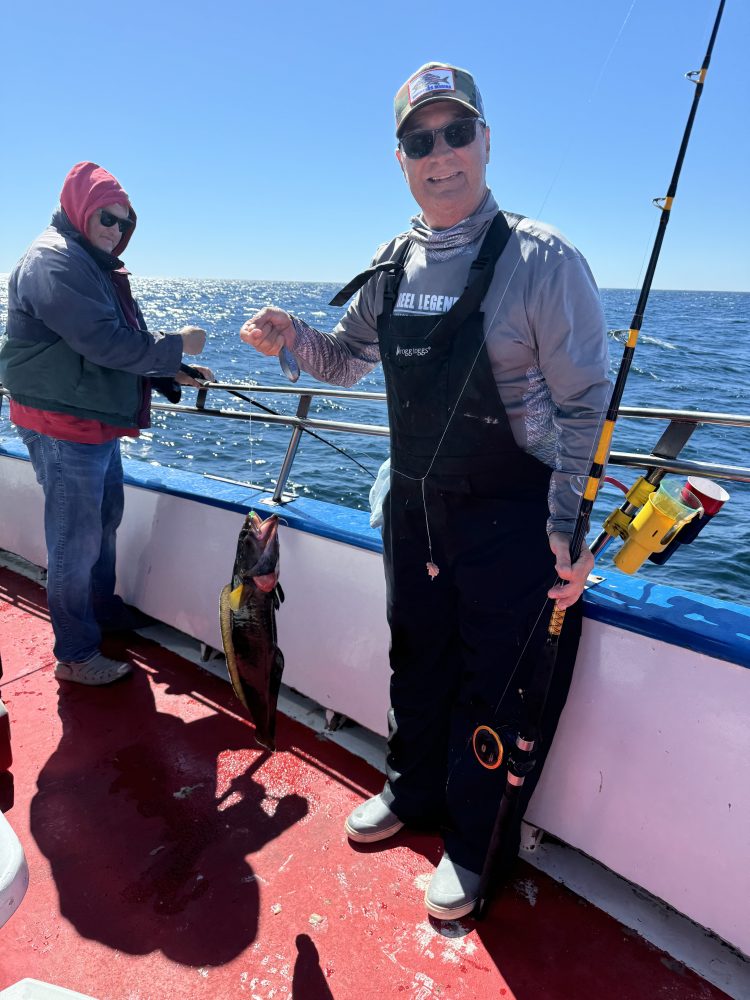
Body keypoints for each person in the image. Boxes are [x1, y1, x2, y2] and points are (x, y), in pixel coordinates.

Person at [239, 62, 611, 920]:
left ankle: (477, 849)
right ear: (399, 158)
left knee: (497, 683)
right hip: (414, 509)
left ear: (486, 142)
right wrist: (293, 337)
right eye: (420, 139)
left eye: (456, 133)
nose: (440, 155)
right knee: (418, 657)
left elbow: (587, 405)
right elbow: (344, 360)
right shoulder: (393, 260)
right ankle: (411, 792)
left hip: (513, 514)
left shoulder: (543, 259)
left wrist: (569, 527)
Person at [0, 161, 212, 686]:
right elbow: (103, 342)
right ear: (80, 210)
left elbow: (107, 342)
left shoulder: (89, 261)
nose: (116, 230)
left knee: (105, 518)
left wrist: (172, 371)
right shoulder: (55, 262)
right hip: (63, 422)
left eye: (125, 222)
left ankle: (102, 610)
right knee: (76, 538)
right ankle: (74, 653)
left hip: (90, 417)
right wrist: (177, 346)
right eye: (107, 218)